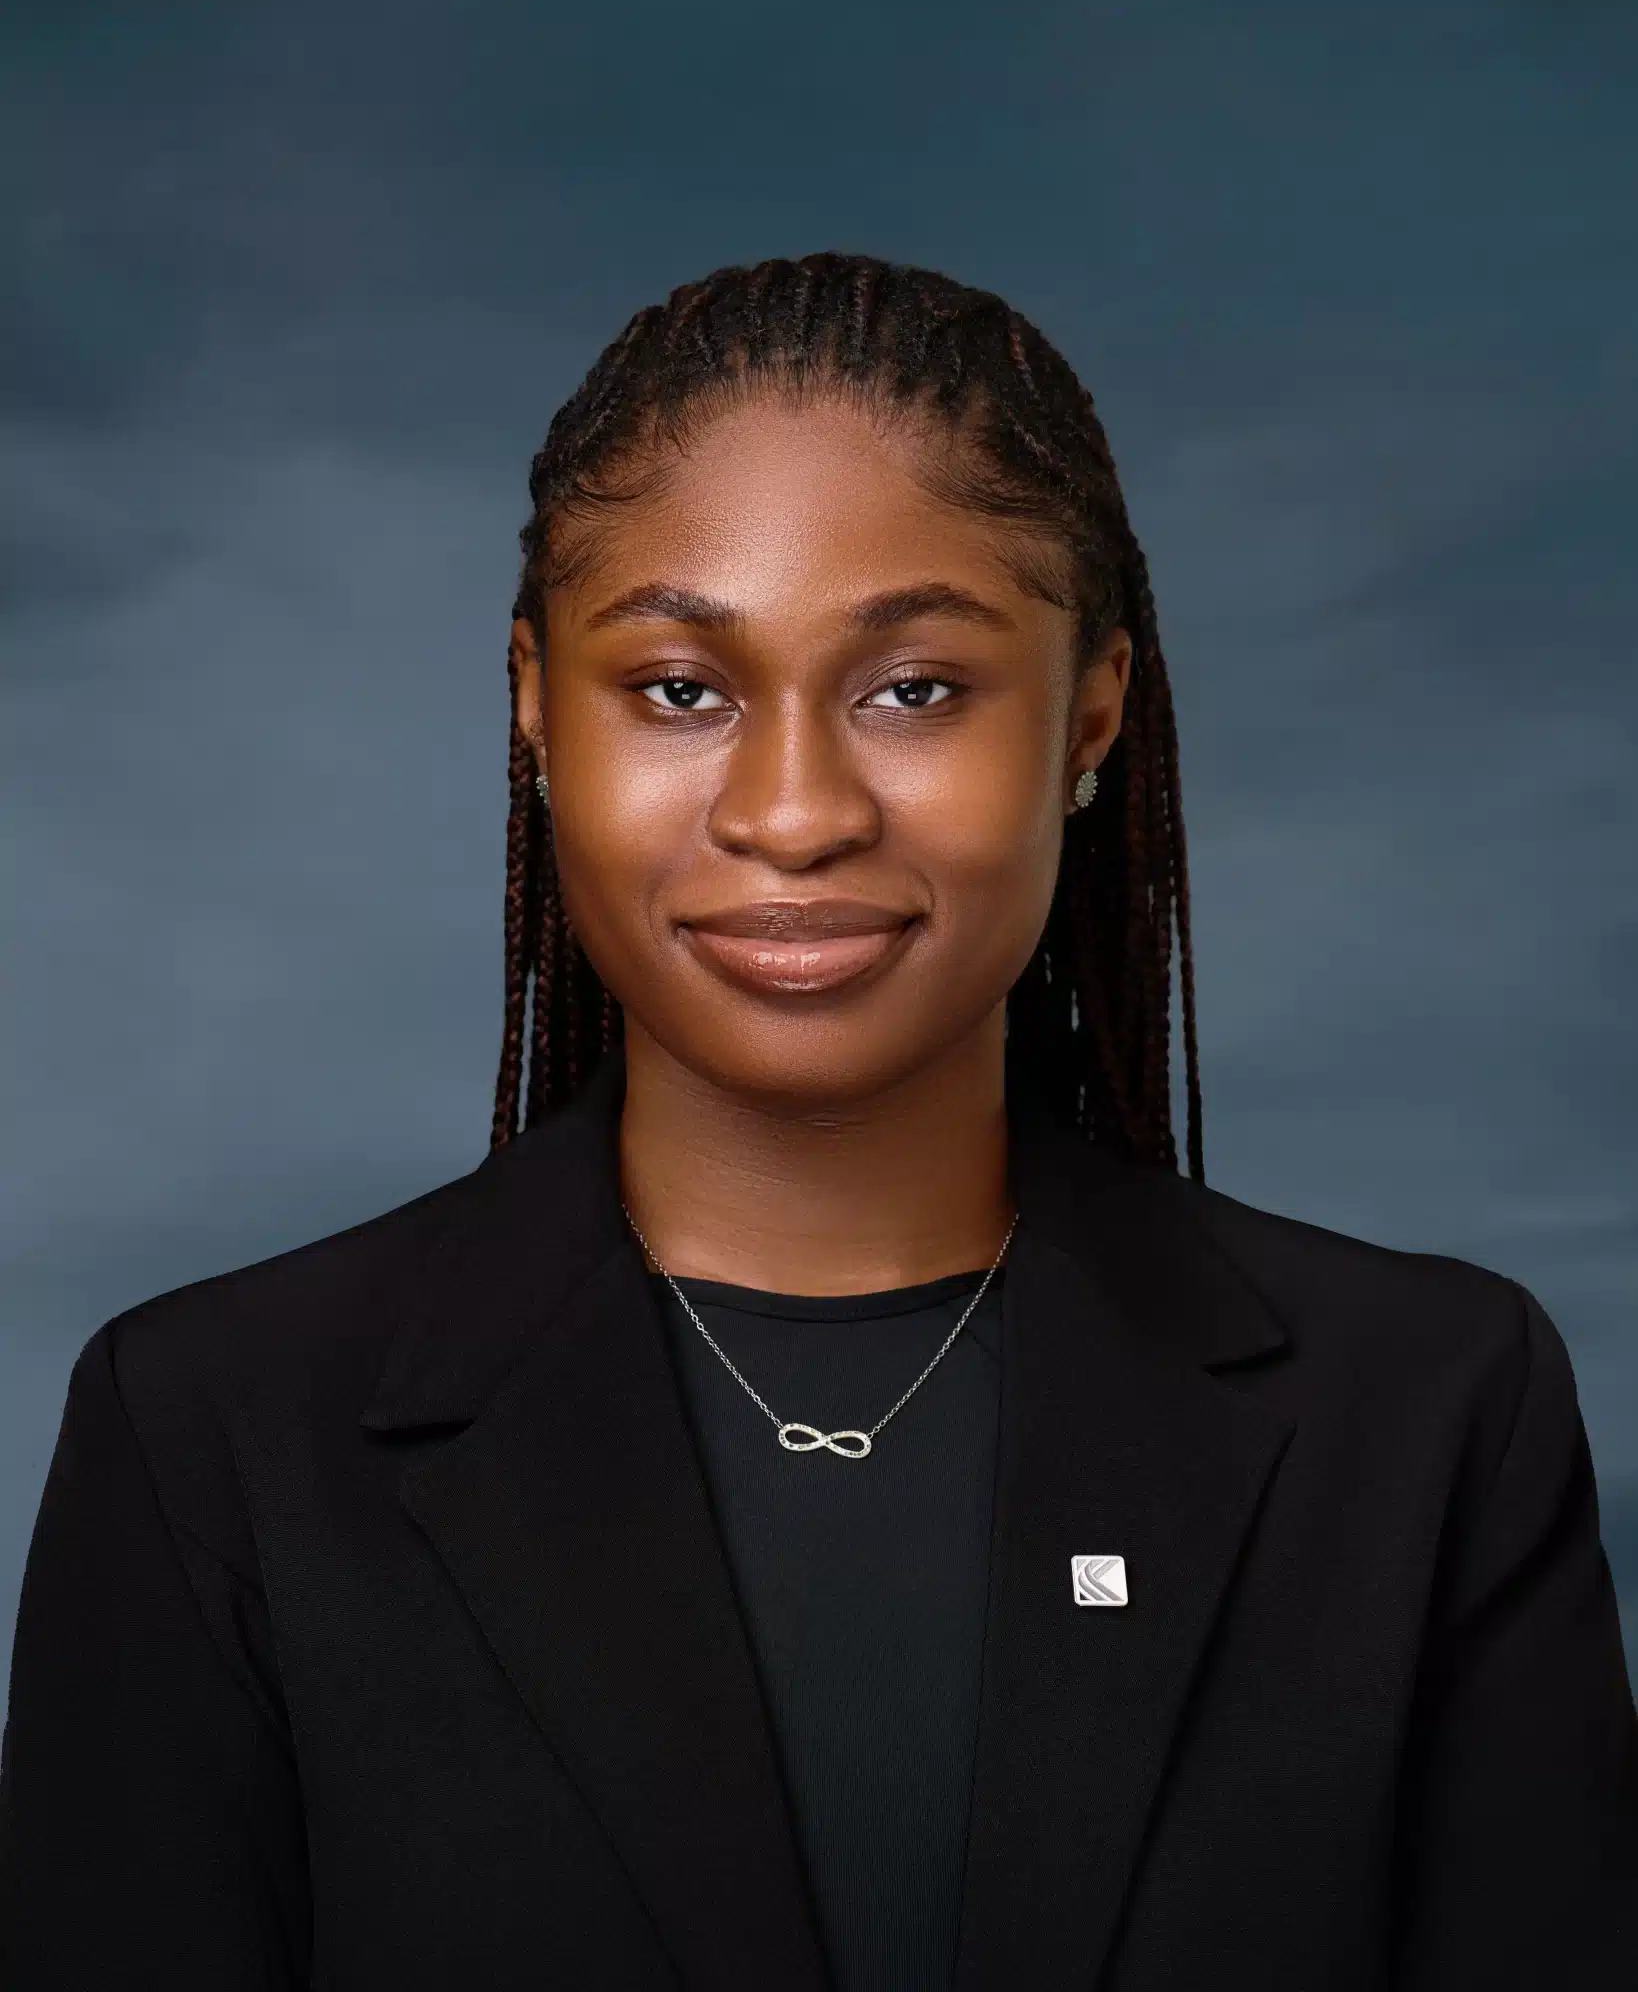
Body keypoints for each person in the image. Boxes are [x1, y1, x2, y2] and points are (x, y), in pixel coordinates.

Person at [1, 252, 1634, 1991]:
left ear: (1089, 714)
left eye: (915, 686)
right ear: (536, 711)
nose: (793, 814)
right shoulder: (217, 1440)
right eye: (681, 690)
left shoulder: (1425, 1417)